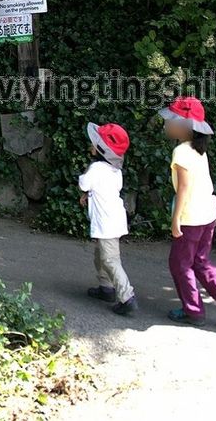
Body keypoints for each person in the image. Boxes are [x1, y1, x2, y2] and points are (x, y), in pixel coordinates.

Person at [159, 97, 216, 326]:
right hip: (208, 215)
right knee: (200, 262)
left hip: (191, 218)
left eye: (170, 120)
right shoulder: (198, 150)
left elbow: (184, 188)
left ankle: (194, 311)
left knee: (180, 264)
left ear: (185, 126)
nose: (166, 124)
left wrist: (176, 218)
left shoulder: (181, 152)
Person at [79, 122, 137, 316]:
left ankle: (127, 297)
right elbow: (101, 190)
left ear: (101, 149)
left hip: (106, 223)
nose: (90, 145)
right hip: (113, 220)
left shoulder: (96, 169)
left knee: (110, 260)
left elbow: (84, 183)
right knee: (100, 256)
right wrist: (89, 196)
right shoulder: (115, 171)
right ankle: (106, 288)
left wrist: (86, 186)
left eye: (94, 143)